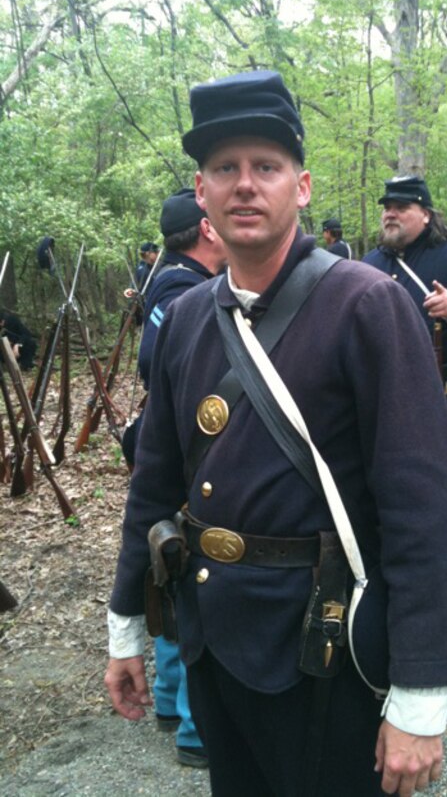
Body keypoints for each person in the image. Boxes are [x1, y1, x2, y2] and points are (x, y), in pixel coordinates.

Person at [105, 71, 447, 797]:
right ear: (202, 194)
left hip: (326, 648)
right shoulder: (183, 319)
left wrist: (422, 697)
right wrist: (125, 627)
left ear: (299, 187)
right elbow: (154, 485)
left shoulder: (367, 306)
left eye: (265, 167)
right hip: (213, 641)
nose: (245, 184)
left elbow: (425, 509)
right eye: (224, 169)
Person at [121, 188, 226, 768]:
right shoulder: (190, 293)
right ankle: (192, 725)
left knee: (167, 565)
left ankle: (166, 701)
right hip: (192, 453)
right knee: (183, 572)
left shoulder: (166, 283)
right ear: (207, 230)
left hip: (178, 448)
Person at [363, 176, 447, 434]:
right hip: (379, 394)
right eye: (387, 208)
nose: (390, 214)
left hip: (438, 393)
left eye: (401, 208)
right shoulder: (369, 262)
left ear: (425, 215)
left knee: (433, 473)